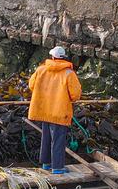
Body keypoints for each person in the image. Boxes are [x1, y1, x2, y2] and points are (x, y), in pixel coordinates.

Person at [28, 46, 82, 174]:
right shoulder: (69, 73)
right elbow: (75, 95)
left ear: (52, 57)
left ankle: (46, 164)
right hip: (59, 112)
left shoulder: (41, 69)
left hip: (43, 110)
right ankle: (57, 168)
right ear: (64, 58)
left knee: (46, 137)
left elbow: (31, 86)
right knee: (58, 140)